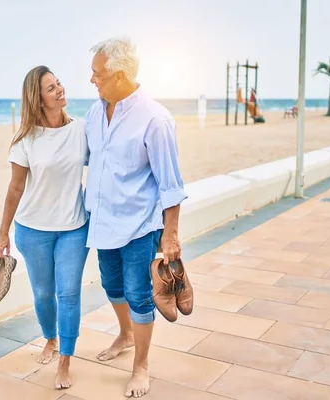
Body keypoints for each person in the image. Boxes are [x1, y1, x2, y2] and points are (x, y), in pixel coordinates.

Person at [85, 37, 187, 398]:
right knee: (112, 287)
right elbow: (83, 157)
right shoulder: (94, 112)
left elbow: (171, 185)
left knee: (140, 296)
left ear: (119, 74)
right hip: (101, 222)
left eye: (97, 73)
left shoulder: (155, 119)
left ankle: (141, 365)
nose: (91, 80)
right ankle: (126, 334)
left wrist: (171, 237)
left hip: (138, 227)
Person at [0, 65, 89, 390]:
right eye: (51, 88)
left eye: (58, 82)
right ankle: (50, 337)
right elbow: (15, 188)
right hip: (32, 230)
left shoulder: (82, 131)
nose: (60, 89)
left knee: (70, 294)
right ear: (38, 99)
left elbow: (107, 165)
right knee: (44, 294)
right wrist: (3, 232)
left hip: (75, 228)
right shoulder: (26, 140)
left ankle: (65, 358)